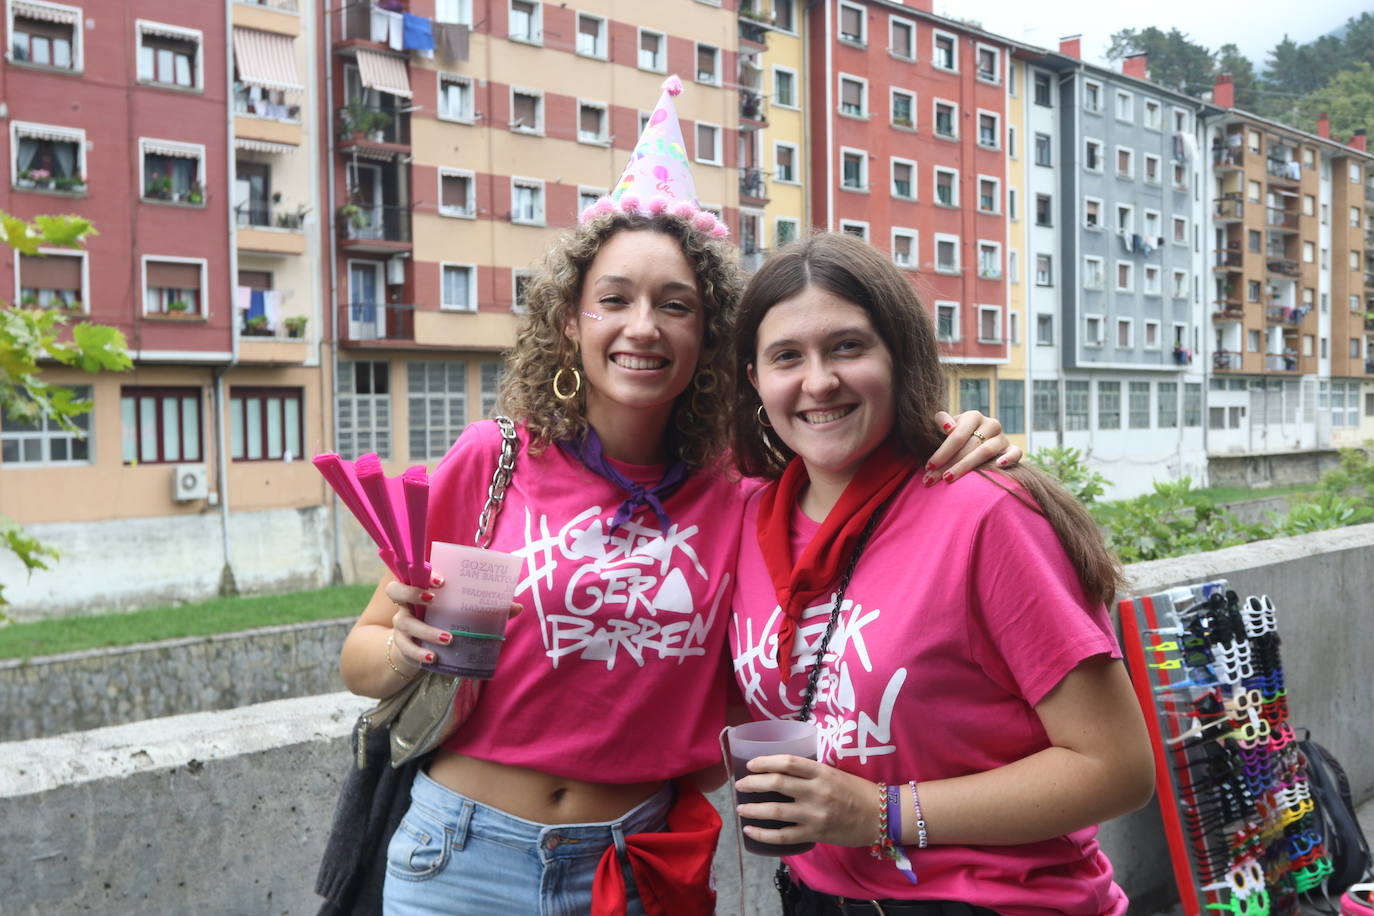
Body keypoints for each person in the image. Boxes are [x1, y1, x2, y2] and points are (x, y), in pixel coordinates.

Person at [337, 79, 1020, 916]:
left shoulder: (745, 497)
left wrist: (953, 437)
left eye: (676, 306)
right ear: (571, 323)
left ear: (709, 336)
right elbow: (361, 660)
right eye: (614, 301)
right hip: (461, 856)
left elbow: (860, 482)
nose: (643, 328)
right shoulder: (496, 461)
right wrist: (409, 645)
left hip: (638, 863)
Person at [727, 233, 1155, 916]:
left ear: (898, 355)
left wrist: (881, 812)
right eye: (786, 357)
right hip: (815, 899)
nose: (818, 381)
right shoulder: (746, 519)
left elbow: (1117, 769)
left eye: (847, 347)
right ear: (754, 379)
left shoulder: (986, 513)